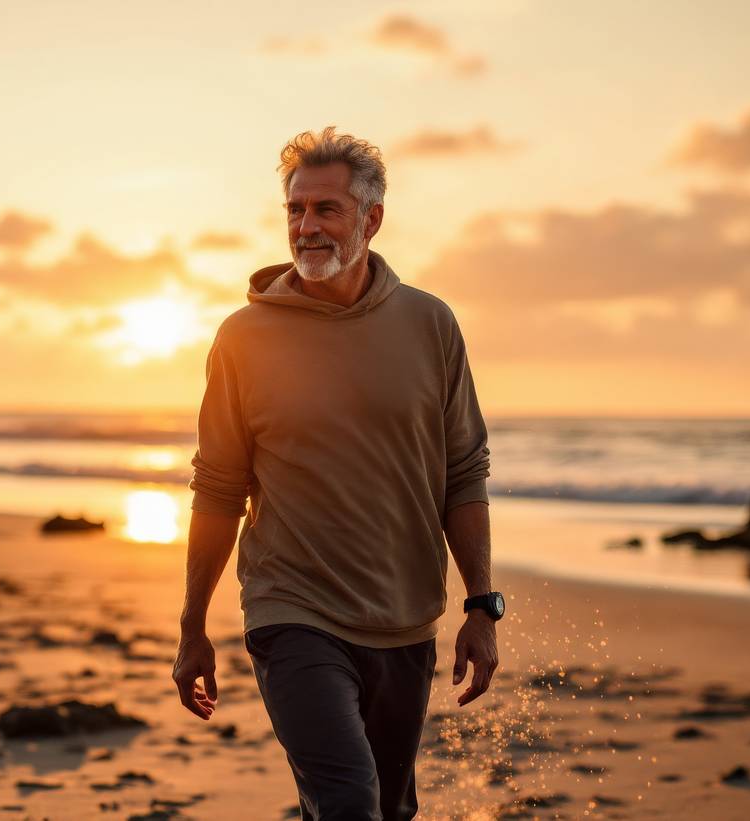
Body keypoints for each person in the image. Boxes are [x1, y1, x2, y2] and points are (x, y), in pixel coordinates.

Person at [172, 126, 504, 821]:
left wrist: (481, 604)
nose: (306, 226)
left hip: (405, 617)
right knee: (350, 801)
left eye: (326, 209)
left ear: (371, 219)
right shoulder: (244, 338)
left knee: (387, 806)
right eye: (295, 209)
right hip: (292, 610)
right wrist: (192, 626)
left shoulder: (430, 324)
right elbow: (218, 488)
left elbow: (463, 472)